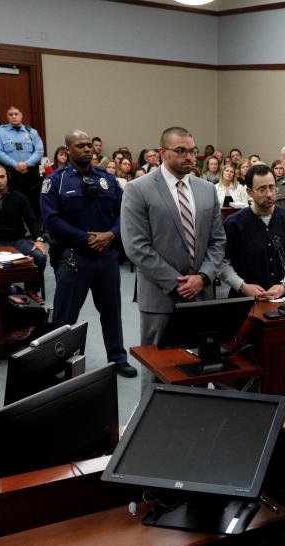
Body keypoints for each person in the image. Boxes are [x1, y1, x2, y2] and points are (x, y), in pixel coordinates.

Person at [121, 126, 226, 396]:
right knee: (158, 367)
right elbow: (136, 246)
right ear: (162, 153)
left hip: (202, 293)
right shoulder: (138, 189)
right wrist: (176, 282)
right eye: (181, 151)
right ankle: (152, 425)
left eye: (192, 151)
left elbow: (218, 241)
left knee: (201, 364)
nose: (189, 157)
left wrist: (202, 278)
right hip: (160, 294)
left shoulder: (206, 190)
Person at [40, 130, 137, 378]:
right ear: (67, 151)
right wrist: (88, 239)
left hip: (106, 257)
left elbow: (125, 212)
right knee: (65, 316)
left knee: (112, 311)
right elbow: (52, 220)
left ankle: (117, 358)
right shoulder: (56, 180)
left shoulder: (107, 179)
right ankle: (57, 363)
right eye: (80, 145)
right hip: (74, 257)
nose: (87, 149)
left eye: (89, 146)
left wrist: (111, 236)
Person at [219, 164, 285, 300]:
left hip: (284, 300)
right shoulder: (234, 223)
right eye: (262, 189)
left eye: (272, 187)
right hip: (244, 300)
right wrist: (242, 286)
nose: (269, 194)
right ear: (249, 192)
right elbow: (222, 263)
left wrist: (284, 285)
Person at [0, 163, 48, 303]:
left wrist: (39, 240)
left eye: (2, 176)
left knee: (39, 256)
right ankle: (0, 294)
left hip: (17, 240)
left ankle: (31, 290)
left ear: (6, 177)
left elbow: (32, 221)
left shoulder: (19, 197)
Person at [0, 105, 45, 221]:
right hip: (12, 173)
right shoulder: (0, 131)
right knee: (13, 203)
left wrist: (25, 164)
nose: (14, 117)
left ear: (21, 115)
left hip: (31, 173)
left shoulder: (32, 132)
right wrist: (15, 165)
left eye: (16, 114)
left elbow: (40, 151)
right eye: (11, 115)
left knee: (34, 204)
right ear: (7, 116)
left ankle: (37, 233)